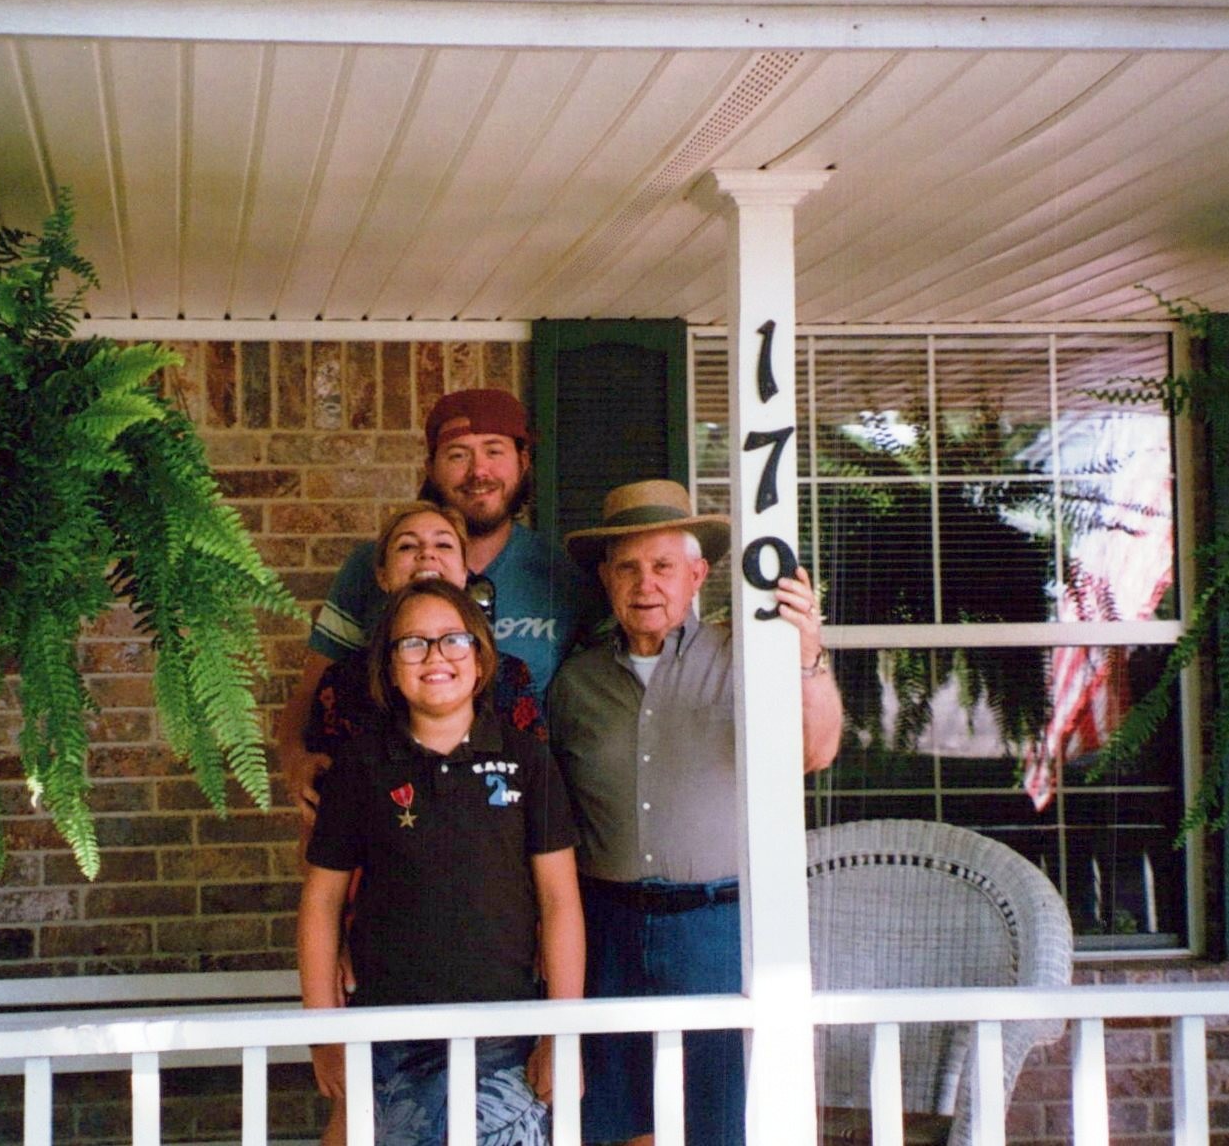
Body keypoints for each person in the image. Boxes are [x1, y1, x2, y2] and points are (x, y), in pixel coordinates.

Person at [546, 479, 843, 1146]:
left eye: (662, 566)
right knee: (617, 1121)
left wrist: (808, 658)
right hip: (605, 929)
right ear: (605, 579)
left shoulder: (744, 657)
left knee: (717, 1120)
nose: (645, 584)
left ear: (697, 575)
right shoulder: (575, 683)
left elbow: (815, 752)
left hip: (714, 928)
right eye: (627, 567)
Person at [298, 578, 586, 1146]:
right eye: (413, 643)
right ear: (389, 668)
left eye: (454, 640)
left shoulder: (528, 760)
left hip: (506, 1034)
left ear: (480, 660)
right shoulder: (360, 766)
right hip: (386, 1036)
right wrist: (323, 1035)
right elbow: (321, 901)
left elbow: (559, 901)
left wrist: (562, 1033)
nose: (435, 657)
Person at [279, 388, 590, 821]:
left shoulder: (562, 576)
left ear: (523, 461)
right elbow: (312, 693)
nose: (478, 471)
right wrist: (295, 760)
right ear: (431, 467)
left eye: (494, 451)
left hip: (515, 816)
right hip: (389, 815)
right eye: (458, 455)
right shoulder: (369, 568)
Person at [305, 500, 545, 761]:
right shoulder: (342, 685)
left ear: (464, 572)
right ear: (382, 575)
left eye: (443, 545)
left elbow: (536, 770)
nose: (427, 554)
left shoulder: (509, 678)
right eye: (407, 546)